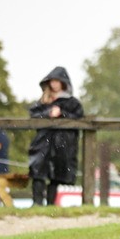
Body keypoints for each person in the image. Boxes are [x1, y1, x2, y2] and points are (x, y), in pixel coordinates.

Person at [28, 67, 83, 206]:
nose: (54, 84)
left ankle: (51, 205)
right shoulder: (42, 102)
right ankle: (37, 203)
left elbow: (78, 117)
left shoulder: (71, 103)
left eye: (58, 81)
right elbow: (33, 115)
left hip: (62, 144)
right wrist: (48, 113)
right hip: (42, 142)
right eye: (52, 81)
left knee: (57, 175)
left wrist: (62, 113)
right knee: (38, 171)